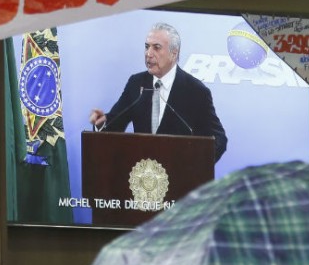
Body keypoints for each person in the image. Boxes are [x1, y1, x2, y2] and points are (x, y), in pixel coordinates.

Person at [89, 22, 227, 162]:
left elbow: (219, 139)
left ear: (174, 53)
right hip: (142, 172)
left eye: (156, 47)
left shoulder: (196, 91)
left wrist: (195, 165)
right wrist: (101, 124)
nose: (148, 54)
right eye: (147, 47)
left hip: (178, 172)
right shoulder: (136, 83)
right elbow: (114, 123)